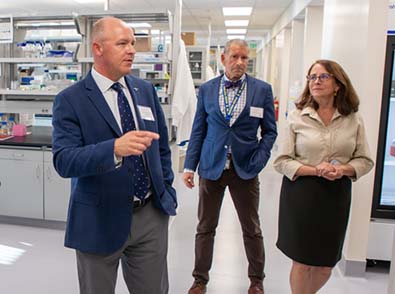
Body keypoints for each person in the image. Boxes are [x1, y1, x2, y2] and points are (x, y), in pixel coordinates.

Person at [52, 17, 177, 294]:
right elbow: (64, 160)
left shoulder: (144, 91)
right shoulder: (71, 100)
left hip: (149, 216)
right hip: (98, 218)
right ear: (98, 48)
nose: (131, 50)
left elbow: (162, 148)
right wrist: (113, 149)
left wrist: (165, 191)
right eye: (122, 43)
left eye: (132, 43)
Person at [183, 39, 277, 294]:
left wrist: (259, 161)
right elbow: (198, 130)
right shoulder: (207, 89)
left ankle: (256, 280)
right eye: (235, 57)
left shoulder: (262, 90)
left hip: (245, 169)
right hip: (211, 168)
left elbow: (270, 132)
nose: (240, 62)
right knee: (205, 227)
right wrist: (189, 166)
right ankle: (200, 279)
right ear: (223, 59)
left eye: (245, 58)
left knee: (252, 228)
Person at [273, 59, 374, 294]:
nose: (316, 82)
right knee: (302, 261)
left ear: (338, 84)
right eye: (312, 77)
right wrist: (316, 169)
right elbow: (282, 161)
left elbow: (365, 160)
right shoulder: (298, 116)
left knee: (325, 266)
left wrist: (342, 170)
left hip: (335, 196)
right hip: (301, 194)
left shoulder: (353, 119)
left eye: (323, 77)